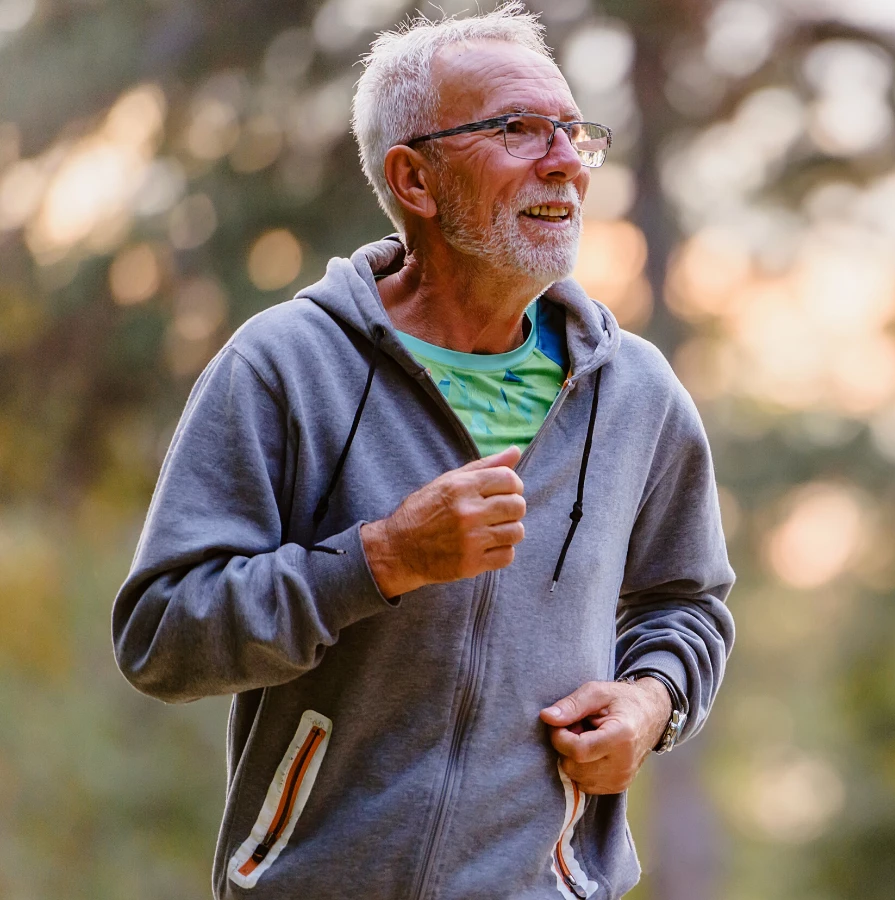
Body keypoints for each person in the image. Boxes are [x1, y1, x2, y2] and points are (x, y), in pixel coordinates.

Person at [111, 6, 734, 898]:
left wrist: (652, 702)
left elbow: (689, 605)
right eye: (517, 130)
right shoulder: (284, 364)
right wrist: (379, 559)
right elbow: (162, 636)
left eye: (573, 132)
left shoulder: (633, 391)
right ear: (415, 178)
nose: (563, 160)